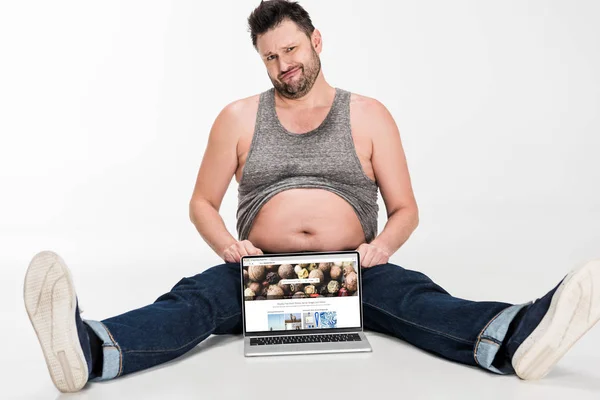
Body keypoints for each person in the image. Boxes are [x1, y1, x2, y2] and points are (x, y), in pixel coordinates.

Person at [23, 0, 600, 393]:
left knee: (420, 302)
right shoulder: (238, 117)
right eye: (270, 56)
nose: (284, 65)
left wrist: (382, 249)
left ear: (316, 40)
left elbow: (405, 210)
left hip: (352, 270)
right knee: (192, 304)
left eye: (291, 49)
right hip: (261, 271)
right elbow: (201, 202)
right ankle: (89, 349)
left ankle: (518, 336)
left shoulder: (370, 115)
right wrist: (230, 246)